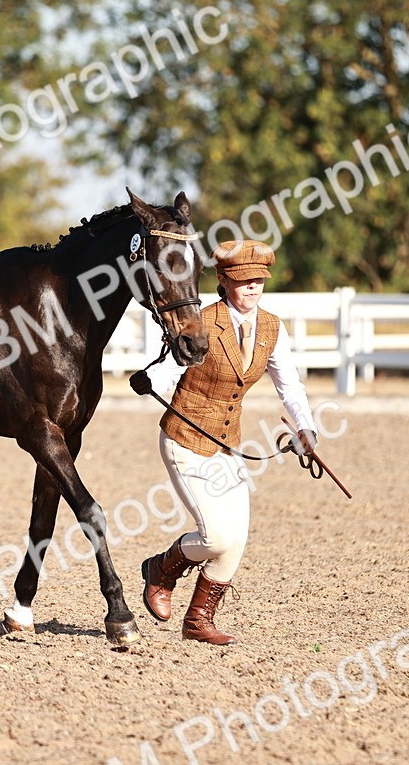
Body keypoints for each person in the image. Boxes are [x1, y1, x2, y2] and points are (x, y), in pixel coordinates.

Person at [129, 239, 318, 645]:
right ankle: (162, 570)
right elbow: (172, 365)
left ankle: (197, 622)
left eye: (258, 281)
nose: (252, 288)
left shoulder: (271, 326)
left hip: (228, 444)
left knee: (237, 540)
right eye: (243, 280)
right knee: (216, 536)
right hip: (186, 438)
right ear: (225, 281)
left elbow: (290, 386)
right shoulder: (203, 322)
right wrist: (151, 381)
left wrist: (306, 428)